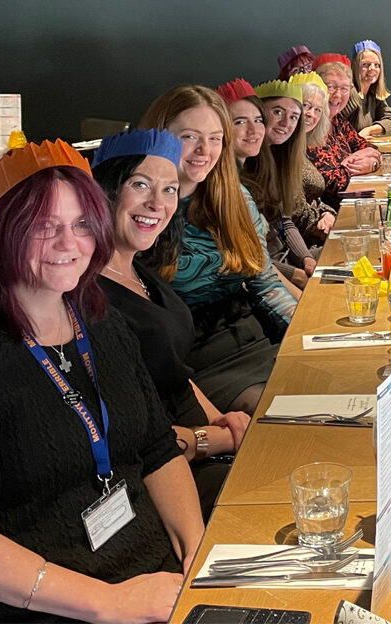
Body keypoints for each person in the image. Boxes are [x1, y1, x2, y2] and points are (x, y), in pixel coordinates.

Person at [0, 139, 203, 623]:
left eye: (82, 224)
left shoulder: (101, 322)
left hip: (150, 581)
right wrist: (111, 603)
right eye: (44, 227)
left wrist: (196, 554)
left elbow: (157, 450)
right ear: (3, 234)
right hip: (50, 606)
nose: (69, 243)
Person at [92, 129, 250, 521]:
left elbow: (175, 375)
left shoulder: (140, 272)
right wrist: (216, 438)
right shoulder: (89, 295)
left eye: (168, 190)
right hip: (158, 477)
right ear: (105, 192)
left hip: (202, 443)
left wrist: (221, 419)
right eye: (140, 184)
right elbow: (127, 435)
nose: (156, 203)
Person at [138, 85, 295, 414]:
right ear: (157, 136)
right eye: (189, 137)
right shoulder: (136, 209)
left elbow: (265, 283)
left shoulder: (234, 197)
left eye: (214, 138)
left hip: (252, 338)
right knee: (286, 416)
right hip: (194, 363)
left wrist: (307, 336)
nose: (203, 150)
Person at [222, 78, 318, 290]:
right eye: (277, 112)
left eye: (257, 120)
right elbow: (244, 256)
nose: (286, 123)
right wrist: (295, 274)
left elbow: (284, 221)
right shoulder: (223, 182)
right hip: (265, 276)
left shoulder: (266, 162)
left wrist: (306, 260)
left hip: (287, 261)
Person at [309, 54, 382, 208]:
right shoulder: (309, 127)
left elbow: (369, 148)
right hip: (330, 214)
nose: (337, 95)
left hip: (351, 203)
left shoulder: (337, 120)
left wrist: (371, 163)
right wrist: (358, 164)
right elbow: (333, 184)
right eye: (331, 87)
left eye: (344, 88)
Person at [289, 71, 338, 247]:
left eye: (317, 109)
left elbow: (312, 197)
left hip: (316, 234)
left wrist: (328, 213)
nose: (311, 114)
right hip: (306, 243)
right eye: (306, 106)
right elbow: (294, 210)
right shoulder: (282, 151)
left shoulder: (299, 146)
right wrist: (325, 223)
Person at [345, 39, 391, 138]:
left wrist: (368, 130)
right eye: (366, 64)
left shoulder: (373, 93)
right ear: (355, 67)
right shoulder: (348, 92)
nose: (372, 68)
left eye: (377, 65)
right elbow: (334, 125)